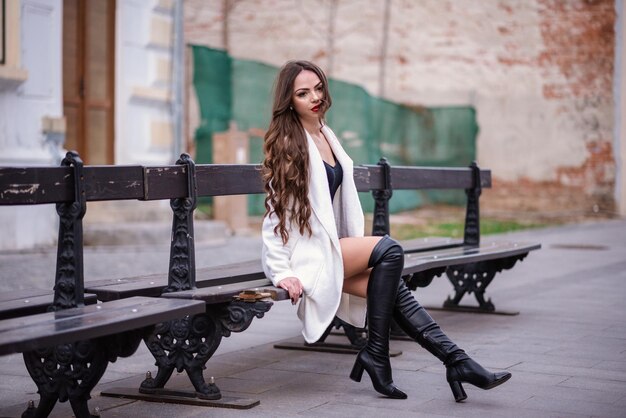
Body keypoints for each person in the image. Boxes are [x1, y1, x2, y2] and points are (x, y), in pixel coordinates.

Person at [260, 60, 511, 401]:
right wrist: (281, 272)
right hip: (307, 255)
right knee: (389, 250)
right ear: (289, 101)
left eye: (318, 88)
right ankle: (377, 354)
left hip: (331, 248)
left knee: (393, 292)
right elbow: (274, 216)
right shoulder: (289, 144)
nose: (315, 97)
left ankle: (456, 361)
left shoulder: (325, 135)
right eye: (303, 93)